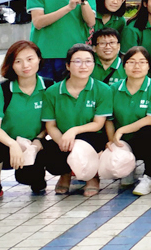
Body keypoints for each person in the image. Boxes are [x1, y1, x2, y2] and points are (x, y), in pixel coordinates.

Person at [41, 44, 112, 196]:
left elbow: (98, 124)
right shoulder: (52, 92)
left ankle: (92, 177)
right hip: (63, 136)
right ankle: (65, 174)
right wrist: (62, 141)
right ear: (68, 65)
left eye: (88, 61)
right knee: (51, 157)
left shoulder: (103, 89)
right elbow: (50, 125)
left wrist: (73, 131)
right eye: (77, 61)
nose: (83, 66)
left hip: (92, 136)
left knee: (82, 146)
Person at [0, 41, 49, 199]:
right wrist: (13, 144)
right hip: (7, 145)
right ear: (11, 64)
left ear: (39, 59)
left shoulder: (49, 87)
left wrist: (39, 139)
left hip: (34, 144)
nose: (25, 65)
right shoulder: (1, 90)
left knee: (30, 178)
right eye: (18, 61)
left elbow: (52, 123)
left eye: (30, 59)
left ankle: (38, 177)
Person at [106, 46, 151, 196]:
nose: (136, 66)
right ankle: (127, 167)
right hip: (122, 141)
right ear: (124, 65)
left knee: (150, 130)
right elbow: (109, 119)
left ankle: (149, 177)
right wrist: (112, 140)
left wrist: (122, 130)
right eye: (131, 62)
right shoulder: (113, 89)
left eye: (142, 62)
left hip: (145, 140)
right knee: (118, 171)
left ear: (148, 66)